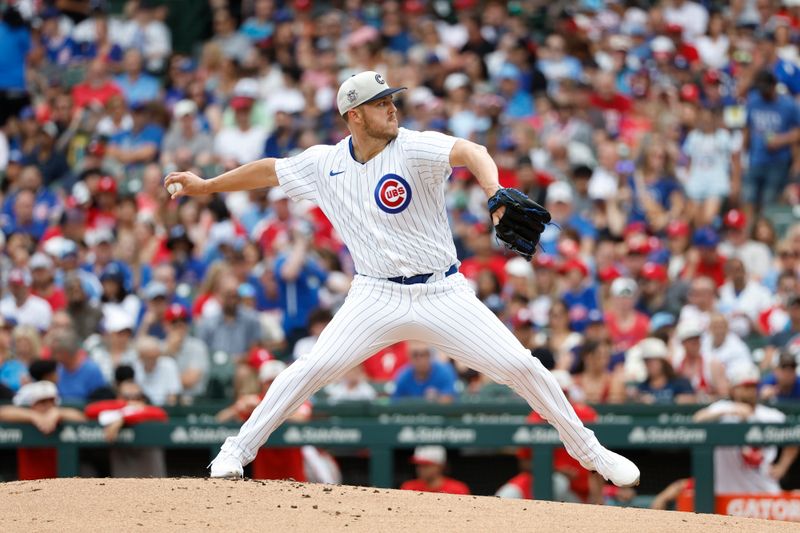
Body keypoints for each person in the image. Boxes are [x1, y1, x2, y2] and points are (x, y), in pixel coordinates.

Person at [166, 70, 640, 487]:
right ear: (354, 115)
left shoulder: (414, 147)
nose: (392, 108)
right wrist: (207, 185)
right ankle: (235, 452)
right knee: (308, 370)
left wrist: (494, 191)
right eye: (381, 103)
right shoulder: (324, 163)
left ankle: (590, 452)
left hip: (442, 291)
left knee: (523, 367)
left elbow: (471, 150)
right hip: (375, 294)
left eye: (392, 100)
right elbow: (270, 170)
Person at [693, 364, 799, 494]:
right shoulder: (722, 407)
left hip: (764, 489)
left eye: (753, 386)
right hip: (726, 491)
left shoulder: (771, 415)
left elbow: (795, 435)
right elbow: (697, 419)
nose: (750, 391)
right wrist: (729, 411)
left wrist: (782, 466)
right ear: (733, 389)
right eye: (745, 387)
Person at [0, 380, 86, 480]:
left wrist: (58, 413)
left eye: (51, 401)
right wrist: (33, 416)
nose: (48, 405)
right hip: (29, 485)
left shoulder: (61, 415)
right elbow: (3, 413)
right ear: (32, 404)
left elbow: (82, 418)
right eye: (42, 402)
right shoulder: (23, 418)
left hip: (60, 486)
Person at [391, 341, 457, 403]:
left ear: (430, 355)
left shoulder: (445, 372)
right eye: (415, 355)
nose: (420, 359)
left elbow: (449, 399)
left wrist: (436, 398)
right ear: (409, 357)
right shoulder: (403, 375)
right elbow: (396, 401)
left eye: (424, 354)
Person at [132, 336, 182, 406]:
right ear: (140, 357)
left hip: (164, 408)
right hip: (141, 408)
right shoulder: (133, 367)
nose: (153, 361)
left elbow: (172, 395)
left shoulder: (169, 364)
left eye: (155, 357)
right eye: (149, 358)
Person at [399, 446, 470, 495]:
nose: (420, 469)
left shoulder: (457, 489)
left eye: (425, 465)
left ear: (440, 466)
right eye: (418, 465)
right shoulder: (409, 487)